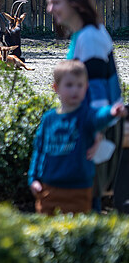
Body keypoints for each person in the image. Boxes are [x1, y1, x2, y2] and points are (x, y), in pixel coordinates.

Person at [46, 0, 125, 212]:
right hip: (94, 125)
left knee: (87, 202)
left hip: (98, 128)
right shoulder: (85, 34)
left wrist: (95, 133)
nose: (51, 9)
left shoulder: (90, 37)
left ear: (75, 2)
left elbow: (99, 93)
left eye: (56, 2)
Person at [28, 60, 126, 215]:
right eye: (69, 85)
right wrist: (33, 178)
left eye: (80, 85)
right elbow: (39, 150)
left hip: (79, 187)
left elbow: (99, 117)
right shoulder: (49, 119)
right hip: (49, 187)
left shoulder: (86, 115)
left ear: (86, 88)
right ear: (56, 88)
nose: (75, 90)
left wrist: (111, 112)